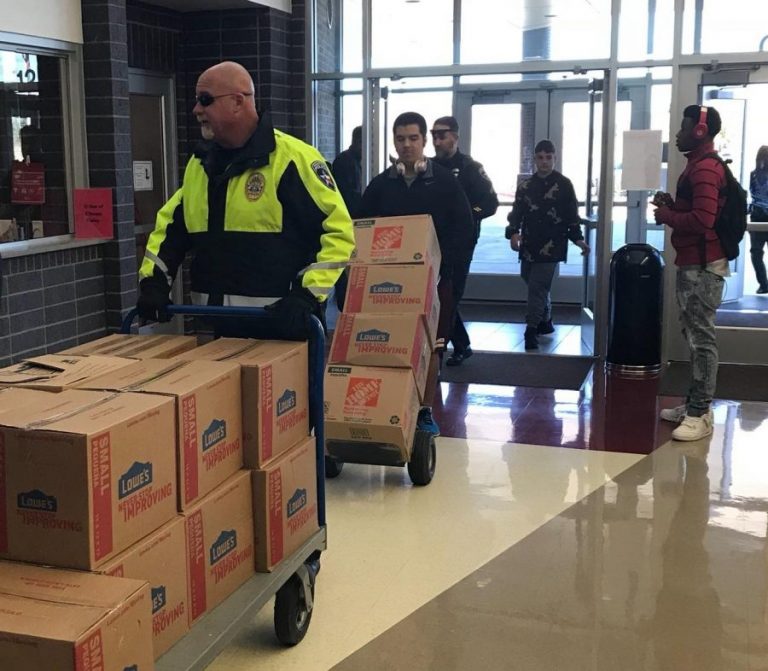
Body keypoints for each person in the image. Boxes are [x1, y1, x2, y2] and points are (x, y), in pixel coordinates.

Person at [136, 61, 354, 341]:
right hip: (217, 328)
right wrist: (154, 282)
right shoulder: (200, 164)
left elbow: (338, 232)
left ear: (238, 102)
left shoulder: (292, 160)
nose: (196, 109)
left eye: (205, 100)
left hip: (282, 328)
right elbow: (172, 228)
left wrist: (307, 294)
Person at [358, 111, 475, 436]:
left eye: (413, 138)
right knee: (387, 343)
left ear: (424, 141)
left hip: (435, 281)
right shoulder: (381, 185)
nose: (407, 145)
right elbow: (361, 226)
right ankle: (387, 405)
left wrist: (442, 264)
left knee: (432, 345)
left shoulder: (445, 182)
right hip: (388, 284)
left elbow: (464, 228)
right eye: (400, 139)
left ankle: (424, 410)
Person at [654, 104, 727, 442]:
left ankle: (700, 412)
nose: (678, 134)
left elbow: (703, 220)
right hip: (694, 262)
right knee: (694, 336)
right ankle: (695, 405)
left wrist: (668, 217)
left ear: (699, 131)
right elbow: (698, 210)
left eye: (684, 128)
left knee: (701, 340)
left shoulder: (705, 169)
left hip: (703, 266)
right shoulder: (698, 166)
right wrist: (672, 206)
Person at [504, 139, 589, 351]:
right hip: (529, 244)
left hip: (553, 244)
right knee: (529, 279)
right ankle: (546, 317)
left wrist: (578, 239)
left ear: (555, 158)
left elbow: (571, 215)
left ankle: (531, 329)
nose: (544, 162)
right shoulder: (526, 186)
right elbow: (517, 213)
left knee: (537, 287)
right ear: (535, 159)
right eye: (540, 158)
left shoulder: (564, 185)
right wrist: (513, 233)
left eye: (548, 158)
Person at [431, 115, 498, 366]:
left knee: (452, 293)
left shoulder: (470, 168)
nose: (437, 141)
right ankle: (461, 343)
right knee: (438, 295)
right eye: (434, 136)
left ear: (455, 137)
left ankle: (440, 350)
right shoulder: (429, 167)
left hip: (460, 242)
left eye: (442, 135)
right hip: (433, 241)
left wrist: (467, 214)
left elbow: (490, 203)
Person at [331, 126, 363, 310]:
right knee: (346, 277)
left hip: (353, 223)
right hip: (347, 224)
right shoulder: (345, 163)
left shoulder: (355, 160)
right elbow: (348, 197)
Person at [748, 145, 768, 294]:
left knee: (756, 252)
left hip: (761, 214)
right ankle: (763, 284)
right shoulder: (753, 175)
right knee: (756, 252)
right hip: (756, 215)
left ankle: (764, 284)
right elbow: (753, 194)